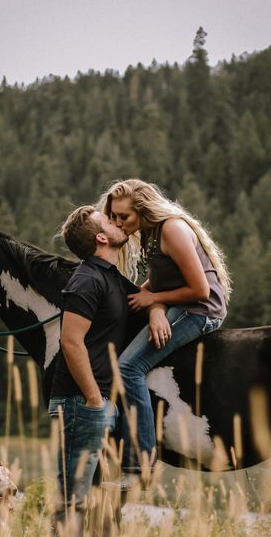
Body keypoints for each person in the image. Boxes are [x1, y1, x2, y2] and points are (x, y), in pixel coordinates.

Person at [99, 179, 231, 486]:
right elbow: (161, 280)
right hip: (181, 304)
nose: (118, 222)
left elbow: (200, 289)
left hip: (201, 310)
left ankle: (140, 465)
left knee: (128, 368)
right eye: (113, 217)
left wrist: (153, 300)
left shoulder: (171, 229)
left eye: (123, 217)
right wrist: (147, 298)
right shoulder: (149, 233)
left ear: (143, 211)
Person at [48, 204, 133, 537]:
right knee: (74, 498)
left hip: (96, 402)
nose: (115, 221)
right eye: (108, 220)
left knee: (89, 496)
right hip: (82, 402)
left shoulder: (109, 275)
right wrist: (95, 399)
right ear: (101, 237)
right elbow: (70, 341)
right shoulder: (86, 278)